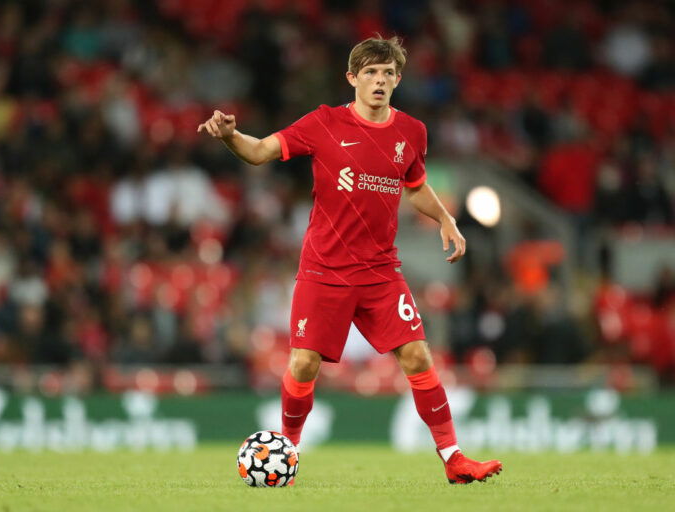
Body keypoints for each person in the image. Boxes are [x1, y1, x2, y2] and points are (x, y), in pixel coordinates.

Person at [198, 36, 502, 484]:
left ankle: (454, 459)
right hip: (324, 270)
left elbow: (414, 185)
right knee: (303, 365)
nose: (379, 81)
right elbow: (261, 151)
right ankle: (288, 454)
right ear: (352, 78)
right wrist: (230, 137)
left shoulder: (412, 132)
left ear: (397, 80)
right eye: (370, 73)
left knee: (418, 356)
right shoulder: (323, 123)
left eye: (387, 74)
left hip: (381, 272)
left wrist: (445, 219)